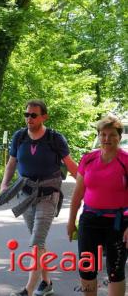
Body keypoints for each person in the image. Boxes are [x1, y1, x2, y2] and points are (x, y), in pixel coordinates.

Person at [0, 100, 77, 296]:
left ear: (44, 117)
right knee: (38, 243)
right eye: (26, 115)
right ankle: (47, 282)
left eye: (33, 115)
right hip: (25, 196)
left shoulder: (55, 138)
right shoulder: (19, 137)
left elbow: (71, 164)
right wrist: (4, 185)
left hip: (48, 196)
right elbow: (11, 163)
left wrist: (87, 185)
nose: (29, 119)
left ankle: (28, 290)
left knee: (36, 244)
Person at [66, 115, 128, 296]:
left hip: (118, 222)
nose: (107, 139)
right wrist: (71, 222)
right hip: (89, 220)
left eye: (112, 135)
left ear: (120, 136)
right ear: (99, 136)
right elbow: (78, 194)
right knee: (87, 267)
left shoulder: (125, 161)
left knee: (115, 271)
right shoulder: (88, 159)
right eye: (103, 134)